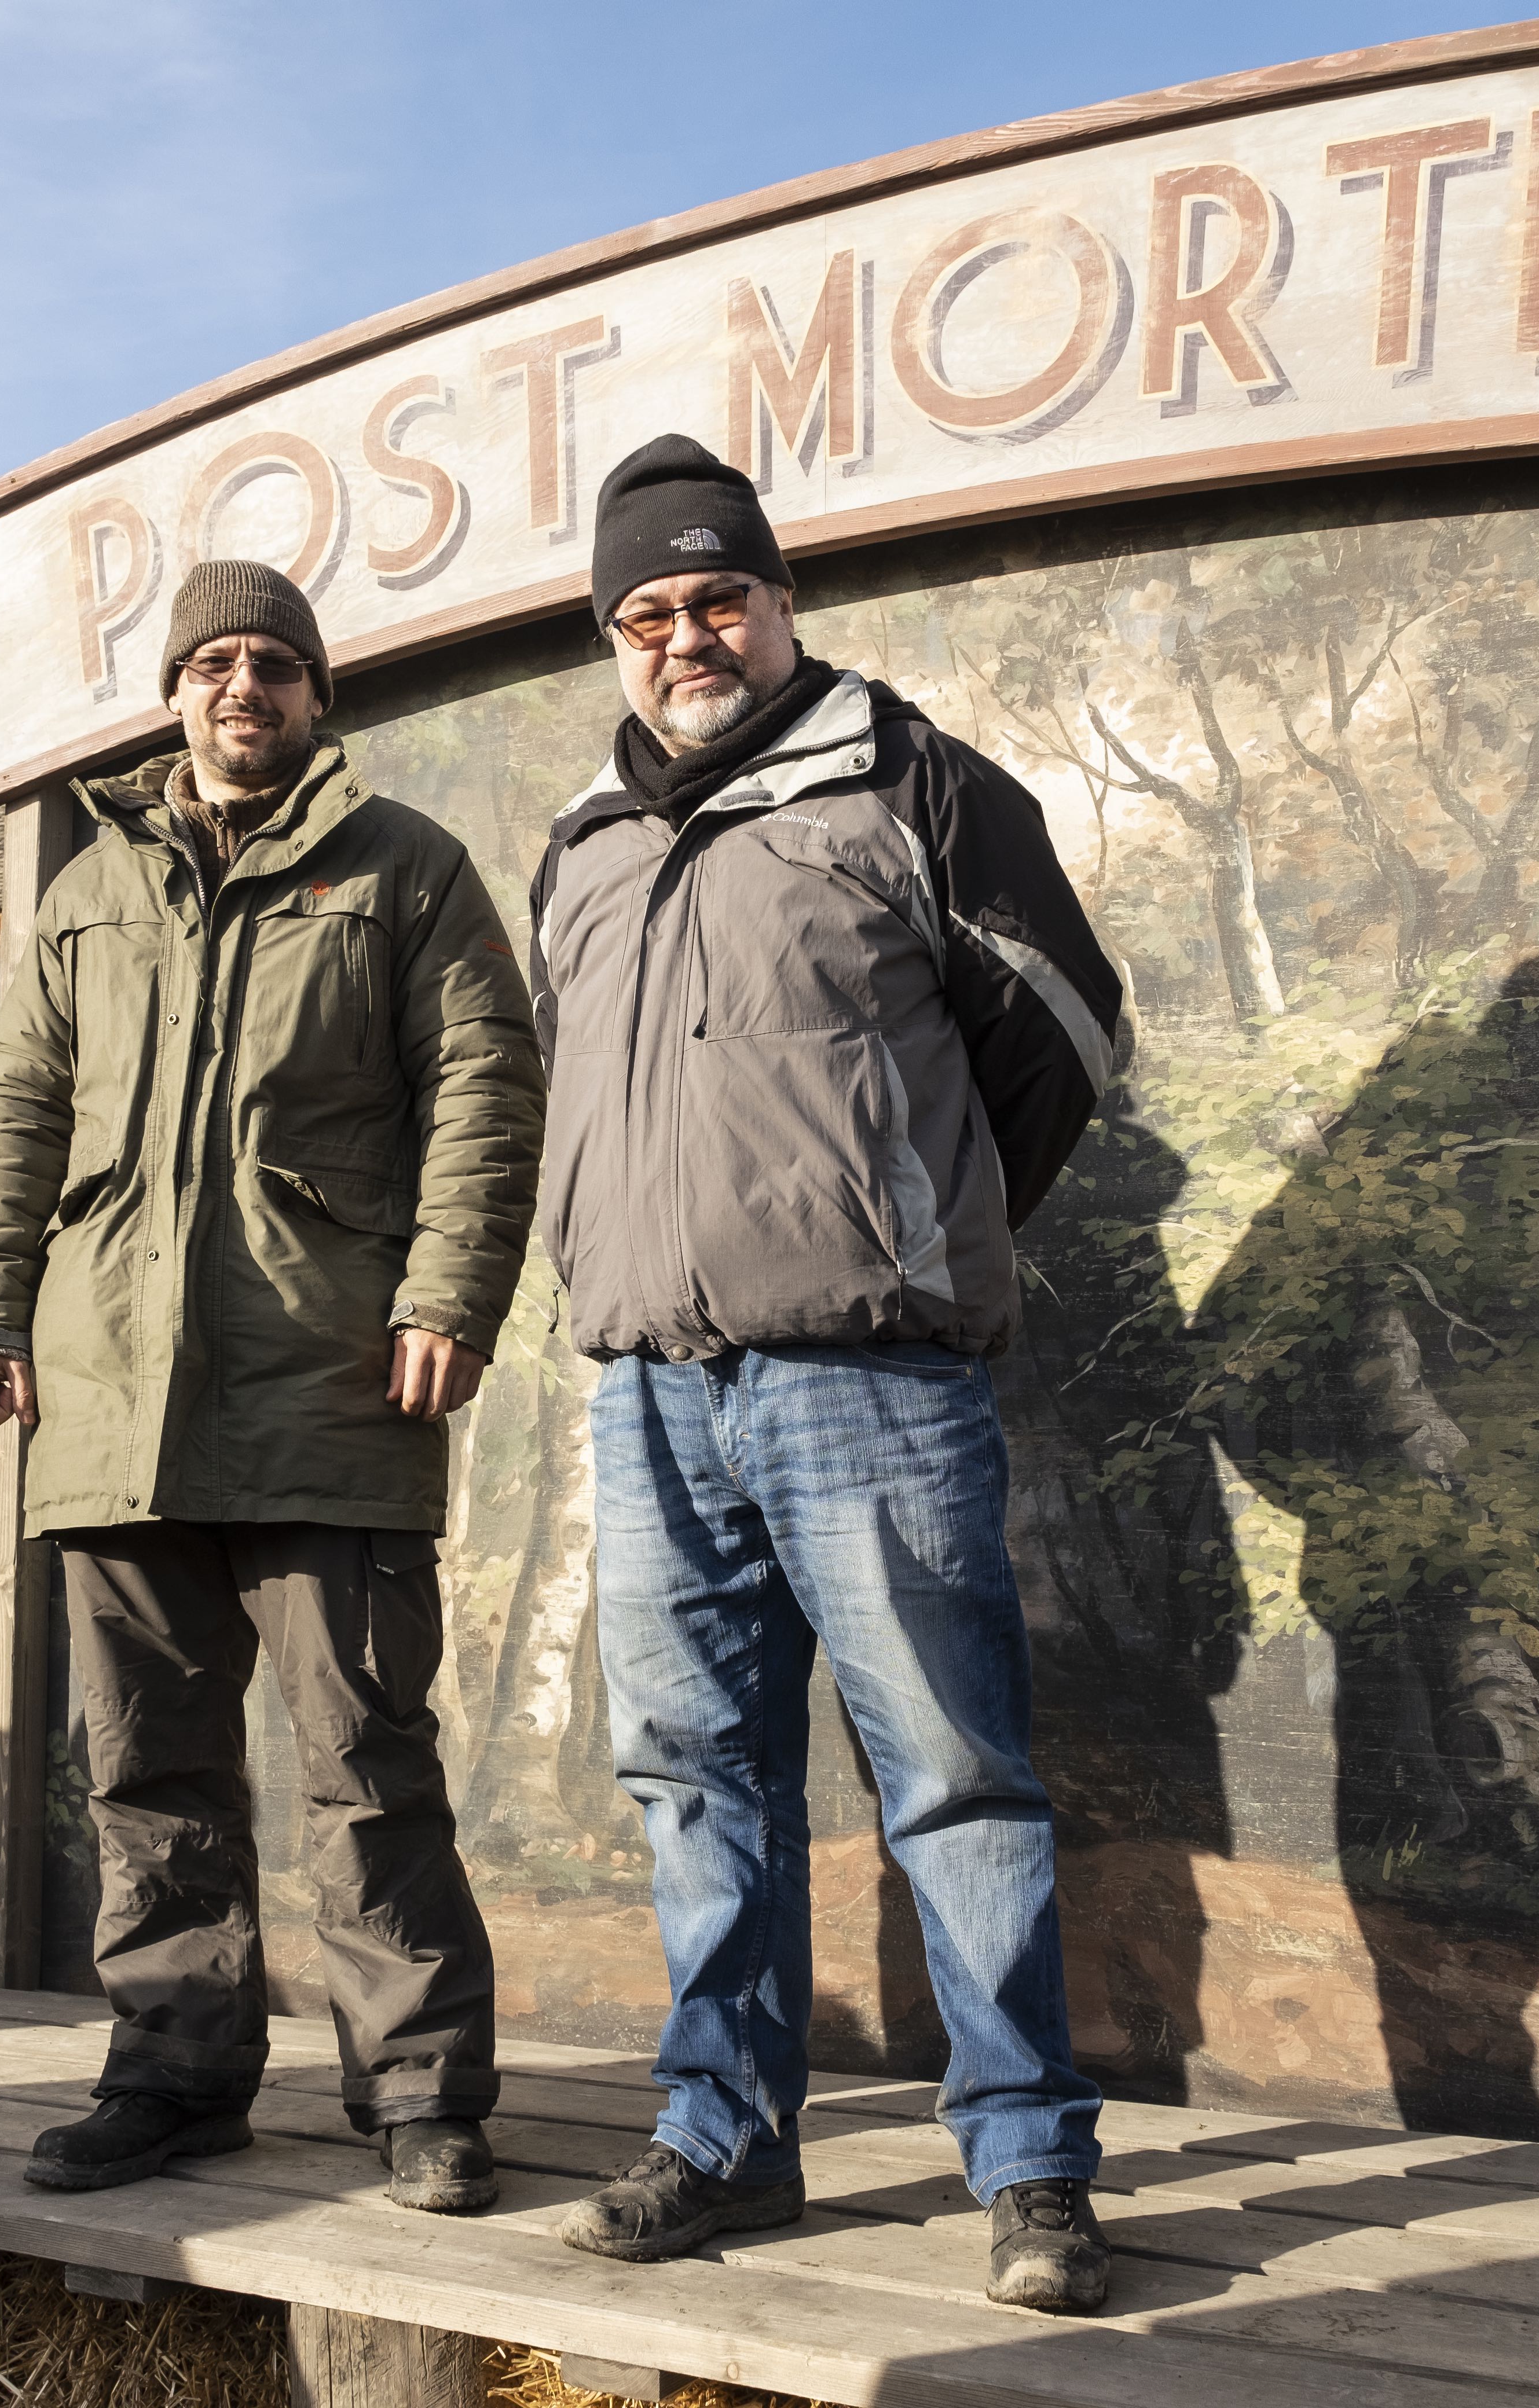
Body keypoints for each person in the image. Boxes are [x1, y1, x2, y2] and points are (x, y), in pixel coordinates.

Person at [529, 434, 1124, 2311]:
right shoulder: (584, 844)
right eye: (646, 612)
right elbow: (569, 1091)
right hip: (650, 1388)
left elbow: (1064, 1037)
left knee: (951, 1776)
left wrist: (907, 1226)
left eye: (718, 596)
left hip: (869, 1381)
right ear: (615, 638)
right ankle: (724, 2137)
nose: (685, 635)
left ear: (781, 602)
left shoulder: (916, 782)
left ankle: (1029, 2167)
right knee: (694, 1776)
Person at [0, 556, 543, 2214]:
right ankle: (176, 2075)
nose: (242, 687)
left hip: (329, 1380)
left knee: (364, 1760)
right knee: (149, 1767)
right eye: (213, 663)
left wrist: (448, 1293)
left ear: (318, 695)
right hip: (109, 1394)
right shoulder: (88, 892)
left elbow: (486, 1084)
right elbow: (17, 1108)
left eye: (274, 662)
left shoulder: (404, 865)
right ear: (176, 698)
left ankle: (420, 2092)